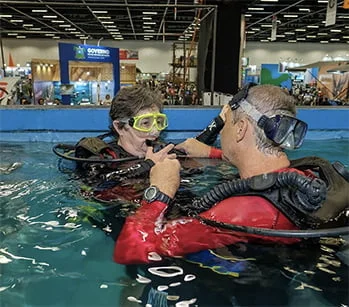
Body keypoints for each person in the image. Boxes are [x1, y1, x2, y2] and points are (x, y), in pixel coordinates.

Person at [114, 83, 348, 264]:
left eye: (225, 122)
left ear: (240, 129)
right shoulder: (305, 174)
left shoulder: (239, 212)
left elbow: (133, 250)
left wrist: (160, 191)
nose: (221, 130)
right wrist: (216, 153)